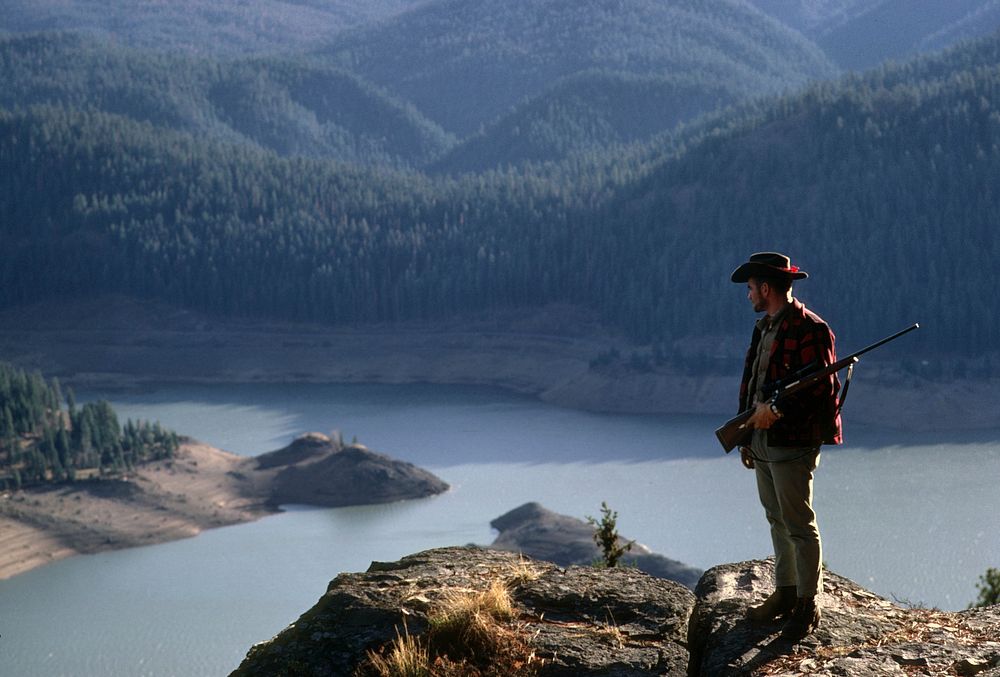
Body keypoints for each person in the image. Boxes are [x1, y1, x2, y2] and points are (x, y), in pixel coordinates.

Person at [730, 252, 842, 640]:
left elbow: (822, 392)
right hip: (762, 440)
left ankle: (808, 605)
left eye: (750, 289)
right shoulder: (764, 328)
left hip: (792, 442)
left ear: (765, 288)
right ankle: (786, 592)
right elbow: (753, 383)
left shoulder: (812, 329)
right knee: (776, 518)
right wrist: (747, 434)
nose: (747, 296)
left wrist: (774, 411)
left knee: (799, 523)